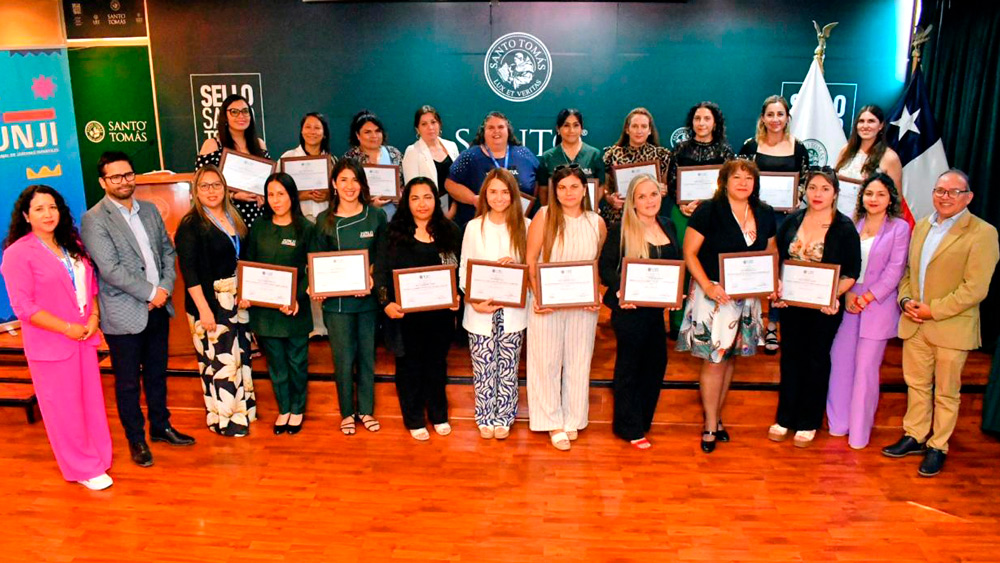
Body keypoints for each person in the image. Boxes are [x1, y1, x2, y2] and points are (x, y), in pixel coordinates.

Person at [80, 151, 195, 468]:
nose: (124, 181)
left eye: (128, 174)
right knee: (128, 382)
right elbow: (110, 269)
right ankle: (137, 440)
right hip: (124, 314)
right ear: (103, 181)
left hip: (158, 307)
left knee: (158, 374)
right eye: (115, 177)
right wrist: (150, 292)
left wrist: (165, 289)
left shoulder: (148, 210)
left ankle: (161, 427)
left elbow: (167, 252)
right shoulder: (94, 219)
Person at [882, 169, 999, 477]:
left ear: (968, 197)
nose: (944, 197)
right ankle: (915, 435)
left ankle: (939, 446)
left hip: (950, 327)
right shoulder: (921, 226)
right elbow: (908, 273)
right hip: (914, 322)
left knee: (946, 392)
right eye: (939, 191)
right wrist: (906, 301)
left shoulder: (983, 233)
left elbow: (975, 288)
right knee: (916, 385)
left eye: (952, 192)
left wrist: (932, 311)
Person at [1, 185, 112, 490]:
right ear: (26, 216)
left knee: (90, 403)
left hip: (84, 338)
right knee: (64, 410)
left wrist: (94, 317)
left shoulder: (71, 243)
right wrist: (66, 328)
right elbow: (23, 308)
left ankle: (98, 458)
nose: (48, 214)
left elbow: (90, 287)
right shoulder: (17, 253)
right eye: (39, 209)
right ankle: (80, 467)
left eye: (52, 207)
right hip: (52, 345)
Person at [677, 159, 777, 453]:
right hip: (715, 297)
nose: (743, 182)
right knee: (715, 359)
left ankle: (717, 417)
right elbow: (690, 252)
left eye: (749, 177)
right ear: (724, 182)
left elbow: (771, 251)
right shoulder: (709, 210)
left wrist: (772, 281)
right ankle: (709, 423)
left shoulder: (764, 212)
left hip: (747, 299)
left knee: (730, 357)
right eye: (737, 177)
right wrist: (707, 285)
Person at [770, 168, 861, 448]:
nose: (817, 194)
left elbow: (852, 272)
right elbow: (777, 256)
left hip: (824, 308)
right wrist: (776, 285)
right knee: (790, 358)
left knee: (816, 359)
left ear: (835, 193)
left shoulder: (844, 227)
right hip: (792, 303)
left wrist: (832, 294)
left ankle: (808, 421)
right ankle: (785, 417)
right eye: (812, 188)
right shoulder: (792, 221)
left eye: (824, 188)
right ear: (804, 191)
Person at [826, 173, 910, 449]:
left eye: (881, 194)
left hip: (878, 306)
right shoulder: (852, 224)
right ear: (862, 197)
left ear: (890, 199)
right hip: (849, 300)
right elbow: (845, 264)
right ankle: (839, 424)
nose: (874, 199)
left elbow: (895, 269)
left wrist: (869, 297)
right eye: (869, 194)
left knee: (865, 370)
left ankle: (859, 434)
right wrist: (848, 292)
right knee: (839, 364)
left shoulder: (899, 228)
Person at [526, 165, 606, 451]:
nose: (568, 193)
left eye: (574, 187)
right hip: (546, 304)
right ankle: (551, 421)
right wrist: (537, 297)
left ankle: (573, 417)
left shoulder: (596, 222)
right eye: (562, 188)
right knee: (546, 361)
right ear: (554, 191)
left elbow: (595, 265)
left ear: (585, 189)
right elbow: (531, 260)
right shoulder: (544, 216)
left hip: (582, 306)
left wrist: (595, 293)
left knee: (579, 359)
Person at [375, 177, 461, 441]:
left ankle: (439, 414)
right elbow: (380, 273)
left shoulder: (450, 231)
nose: (422, 204)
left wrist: (457, 295)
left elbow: (458, 271)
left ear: (436, 200)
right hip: (404, 316)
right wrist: (386, 303)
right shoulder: (392, 233)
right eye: (415, 198)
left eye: (427, 197)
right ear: (406, 201)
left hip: (440, 316)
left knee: (436, 364)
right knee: (409, 367)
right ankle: (414, 418)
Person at [598, 174, 680, 450]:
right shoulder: (621, 228)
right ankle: (628, 426)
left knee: (656, 364)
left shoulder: (668, 226)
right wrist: (621, 290)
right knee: (630, 367)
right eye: (642, 196)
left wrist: (676, 292)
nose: (649, 201)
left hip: (656, 312)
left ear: (661, 196)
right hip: (629, 309)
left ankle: (643, 419)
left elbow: (676, 265)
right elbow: (606, 267)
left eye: (653, 195)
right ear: (632, 201)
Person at [175, 165, 257, 437]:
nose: (211, 191)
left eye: (216, 185)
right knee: (220, 362)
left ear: (225, 188)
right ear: (196, 192)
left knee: (239, 358)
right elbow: (189, 272)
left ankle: (243, 411)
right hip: (210, 303)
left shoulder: (234, 218)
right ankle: (226, 421)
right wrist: (204, 311)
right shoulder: (191, 224)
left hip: (237, 300)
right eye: (204, 186)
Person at [312, 159, 387, 436]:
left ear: (362, 184)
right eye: (343, 180)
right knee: (343, 358)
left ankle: (366, 410)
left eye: (355, 180)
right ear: (334, 184)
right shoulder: (323, 220)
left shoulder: (375, 216)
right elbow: (317, 261)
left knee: (367, 355)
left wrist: (369, 274)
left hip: (367, 301)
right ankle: (346, 412)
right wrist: (316, 284)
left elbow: (382, 255)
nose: (349, 186)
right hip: (336, 304)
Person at [239, 173, 314, 435]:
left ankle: (298, 409)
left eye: (281, 193)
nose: (275, 200)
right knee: (276, 364)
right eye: (271, 194)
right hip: (265, 312)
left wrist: (297, 298)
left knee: (297, 362)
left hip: (294, 309)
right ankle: (284, 409)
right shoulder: (259, 227)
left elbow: (312, 270)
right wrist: (245, 292)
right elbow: (248, 263)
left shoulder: (306, 228)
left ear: (292, 196)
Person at [458, 168, 529, 440]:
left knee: (508, 367)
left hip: (513, 312)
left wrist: (518, 266)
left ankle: (505, 416)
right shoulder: (474, 227)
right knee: (483, 366)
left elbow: (532, 269)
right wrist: (474, 300)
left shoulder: (527, 224)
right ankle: (484, 415)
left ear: (513, 195)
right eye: (493, 191)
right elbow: (464, 268)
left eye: (504, 192)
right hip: (480, 310)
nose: (498, 197)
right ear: (484, 194)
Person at [738, 95, 810, 355]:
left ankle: (773, 326)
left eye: (780, 114)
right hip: (754, 217)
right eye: (770, 114)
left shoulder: (798, 147)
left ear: (787, 118)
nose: (775, 119)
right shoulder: (749, 146)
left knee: (780, 270)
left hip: (786, 218)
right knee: (754, 267)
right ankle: (750, 323)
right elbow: (739, 179)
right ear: (763, 118)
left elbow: (805, 182)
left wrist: (796, 198)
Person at [665, 101, 736, 336]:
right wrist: (682, 204)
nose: (701, 123)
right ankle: (677, 323)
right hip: (683, 214)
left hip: (715, 215)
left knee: (706, 265)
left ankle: (706, 321)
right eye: (697, 119)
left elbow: (729, 186)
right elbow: (672, 182)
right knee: (683, 263)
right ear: (691, 122)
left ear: (715, 123)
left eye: (707, 119)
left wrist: (708, 206)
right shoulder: (680, 150)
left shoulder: (725, 151)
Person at [281, 113, 336, 338]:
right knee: (301, 270)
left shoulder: (332, 161)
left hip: (325, 223)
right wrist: (301, 195)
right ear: (301, 130)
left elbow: (343, 192)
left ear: (324, 133)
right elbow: (279, 192)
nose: (312, 131)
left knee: (322, 270)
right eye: (308, 127)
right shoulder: (288, 158)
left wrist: (329, 194)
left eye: (317, 127)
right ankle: (307, 323)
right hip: (298, 222)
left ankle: (323, 325)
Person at [446, 111, 540, 227]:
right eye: (491, 128)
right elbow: (450, 184)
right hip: (481, 226)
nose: (496, 131)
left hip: (518, 226)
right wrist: (473, 199)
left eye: (501, 127)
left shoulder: (524, 154)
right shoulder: (470, 156)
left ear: (508, 130)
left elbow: (538, 180)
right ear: (483, 132)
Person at [196, 94, 270, 227]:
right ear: (225, 117)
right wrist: (234, 196)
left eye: (245, 111)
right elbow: (201, 186)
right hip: (227, 214)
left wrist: (264, 193)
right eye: (234, 112)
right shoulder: (212, 145)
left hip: (258, 214)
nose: (241, 116)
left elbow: (268, 181)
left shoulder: (259, 144)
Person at [601, 107, 671, 223]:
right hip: (619, 218)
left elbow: (664, 185)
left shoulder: (661, 155)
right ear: (627, 130)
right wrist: (610, 199)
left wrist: (663, 189)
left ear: (650, 130)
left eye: (644, 126)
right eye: (634, 126)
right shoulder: (612, 154)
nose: (639, 131)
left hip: (649, 217)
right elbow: (605, 189)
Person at [537, 108, 606, 207]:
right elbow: (543, 190)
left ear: (582, 128)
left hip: (585, 214)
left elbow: (601, 186)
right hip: (557, 217)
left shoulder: (594, 154)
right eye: (566, 125)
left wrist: (591, 206)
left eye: (576, 125)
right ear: (558, 129)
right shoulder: (548, 157)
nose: (571, 130)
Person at [402, 105, 461, 219]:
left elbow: (459, 180)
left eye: (433, 122)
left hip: (455, 210)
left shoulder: (452, 146)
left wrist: (454, 208)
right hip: (428, 214)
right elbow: (412, 191)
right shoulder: (412, 152)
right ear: (417, 129)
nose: (430, 127)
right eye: (424, 124)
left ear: (439, 124)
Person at [343, 110, 402, 219]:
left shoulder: (394, 154)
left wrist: (401, 196)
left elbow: (406, 184)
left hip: (395, 220)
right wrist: (370, 205)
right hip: (362, 220)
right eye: (367, 132)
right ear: (358, 135)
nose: (374, 136)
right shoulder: (350, 159)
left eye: (377, 131)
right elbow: (344, 193)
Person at [834, 105, 904, 192]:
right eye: (861, 121)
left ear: (881, 126)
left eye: (871, 121)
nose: (865, 126)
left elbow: (896, 197)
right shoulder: (846, 150)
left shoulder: (890, 157)